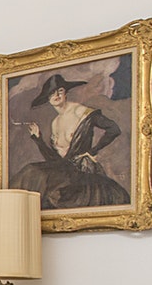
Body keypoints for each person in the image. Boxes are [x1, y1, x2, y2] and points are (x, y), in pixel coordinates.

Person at [10, 73, 130, 210]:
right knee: (31, 171)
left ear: (65, 93)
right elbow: (55, 160)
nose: (56, 95)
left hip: (81, 171)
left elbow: (114, 129)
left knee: (33, 171)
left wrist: (92, 151)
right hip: (65, 170)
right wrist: (38, 139)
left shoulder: (80, 112)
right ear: (48, 98)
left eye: (60, 91)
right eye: (51, 93)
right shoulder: (55, 123)